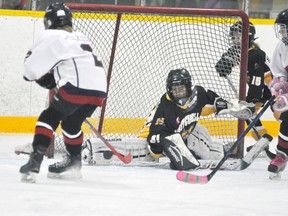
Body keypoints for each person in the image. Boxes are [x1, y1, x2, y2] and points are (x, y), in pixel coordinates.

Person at [19, 2, 107, 183]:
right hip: (99, 90)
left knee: (49, 116)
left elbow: (30, 71)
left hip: (76, 86)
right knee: (71, 124)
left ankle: (34, 161)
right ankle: (74, 163)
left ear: (49, 21)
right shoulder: (80, 37)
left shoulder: (50, 34)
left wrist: (43, 79)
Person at [138, 68, 255, 170]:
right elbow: (156, 143)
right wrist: (178, 155)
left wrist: (232, 106)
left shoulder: (198, 94)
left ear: (188, 87)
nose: (178, 93)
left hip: (180, 135)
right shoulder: (165, 107)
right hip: (147, 145)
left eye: (181, 89)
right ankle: (215, 153)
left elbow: (214, 102)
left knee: (200, 131)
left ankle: (219, 150)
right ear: (169, 89)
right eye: (175, 89)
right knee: (196, 147)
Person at [215, 21, 272, 141]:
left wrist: (253, 98)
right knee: (247, 112)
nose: (235, 39)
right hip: (261, 89)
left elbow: (258, 79)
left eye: (238, 36)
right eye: (233, 36)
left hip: (275, 88)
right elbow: (227, 60)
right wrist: (223, 65)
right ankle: (262, 139)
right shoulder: (237, 51)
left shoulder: (256, 54)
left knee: (279, 114)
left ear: (248, 36)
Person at [267, 9, 288, 180]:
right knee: (287, 117)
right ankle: (281, 155)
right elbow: (279, 71)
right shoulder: (283, 46)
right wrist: (279, 83)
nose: (281, 32)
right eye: (280, 28)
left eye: (284, 28)